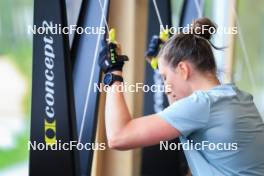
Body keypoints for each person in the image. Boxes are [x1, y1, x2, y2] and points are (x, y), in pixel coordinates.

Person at [98, 17, 264, 175]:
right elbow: (177, 110)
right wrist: (165, 66)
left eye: (165, 78)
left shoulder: (202, 105)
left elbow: (118, 136)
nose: (165, 88)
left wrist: (113, 73)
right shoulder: (237, 97)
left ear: (183, 70)